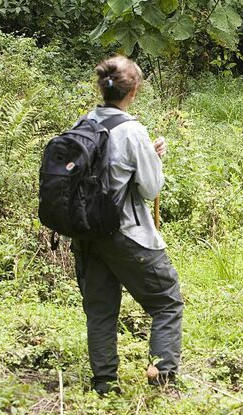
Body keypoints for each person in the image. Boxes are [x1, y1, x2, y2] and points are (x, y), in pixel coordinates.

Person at [71, 56, 184, 394]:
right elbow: (150, 188)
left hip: (86, 233)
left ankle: (104, 385)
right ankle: (163, 378)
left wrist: (145, 154)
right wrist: (152, 158)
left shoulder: (84, 123)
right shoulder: (133, 130)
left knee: (101, 310)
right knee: (167, 301)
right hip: (125, 234)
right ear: (134, 90)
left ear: (100, 87)